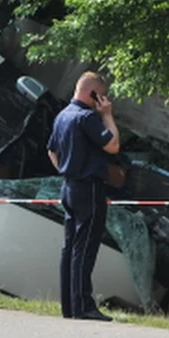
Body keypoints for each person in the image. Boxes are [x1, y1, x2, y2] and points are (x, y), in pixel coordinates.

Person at [47, 71, 121, 321]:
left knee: (69, 246)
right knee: (85, 247)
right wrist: (108, 115)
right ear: (93, 94)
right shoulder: (87, 117)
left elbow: (52, 152)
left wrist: (68, 171)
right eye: (101, 96)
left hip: (68, 185)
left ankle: (69, 305)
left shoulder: (62, 116)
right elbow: (112, 145)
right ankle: (83, 305)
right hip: (89, 187)